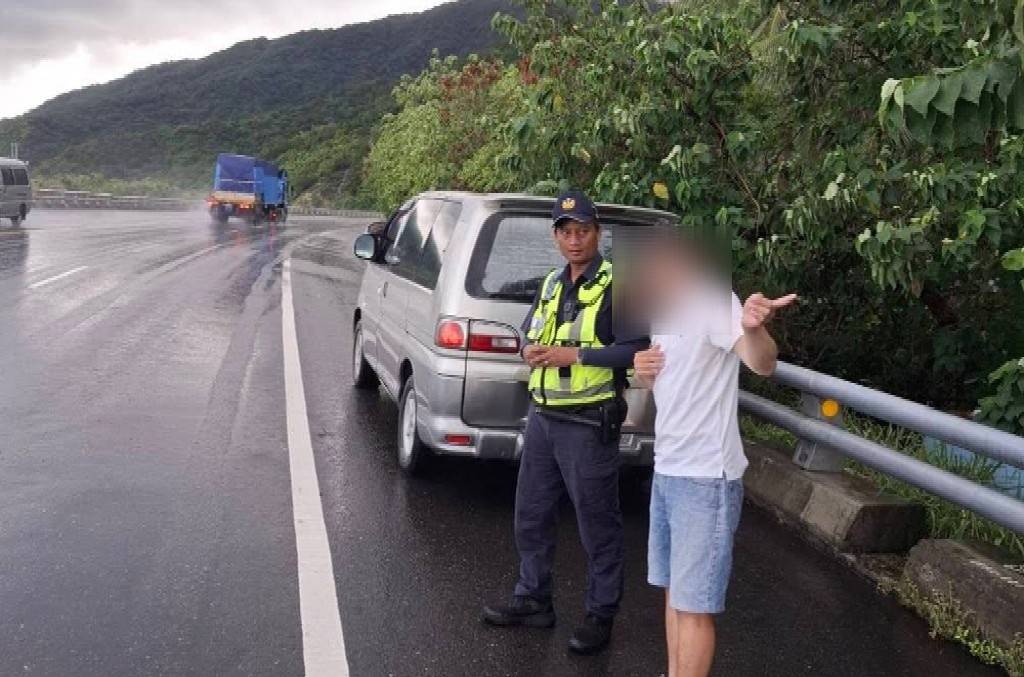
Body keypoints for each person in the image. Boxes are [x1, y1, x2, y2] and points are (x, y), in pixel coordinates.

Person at [482, 190, 647, 655]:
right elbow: (533, 331)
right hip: (543, 416)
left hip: (590, 421)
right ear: (556, 237)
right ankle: (533, 599)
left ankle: (600, 615)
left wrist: (572, 355)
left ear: (598, 234)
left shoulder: (621, 283)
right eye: (566, 231)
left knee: (598, 524)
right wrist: (529, 351)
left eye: (584, 231)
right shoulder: (552, 283)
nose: (575, 240)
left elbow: (638, 348)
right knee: (530, 515)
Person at [631, 230, 796, 677]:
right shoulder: (662, 314)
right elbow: (670, 382)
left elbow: (762, 363)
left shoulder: (712, 301)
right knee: (672, 593)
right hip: (667, 469)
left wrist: (754, 327)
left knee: (694, 607)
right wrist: (644, 373)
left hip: (706, 477)